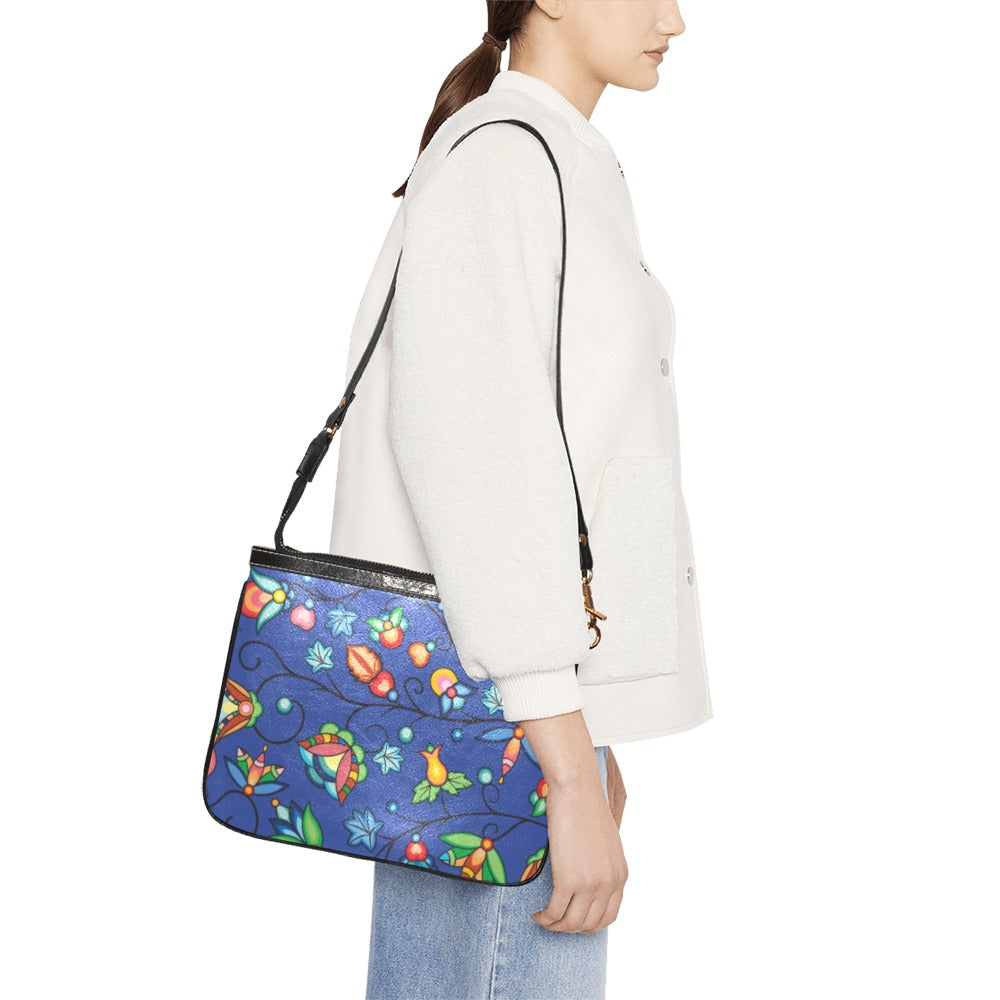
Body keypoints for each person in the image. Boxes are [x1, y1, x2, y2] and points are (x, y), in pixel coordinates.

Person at [326, 2, 713, 997]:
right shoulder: (502, 164)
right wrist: (568, 769)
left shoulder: (549, 157)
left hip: (520, 698)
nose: (673, 19)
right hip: (494, 710)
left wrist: (587, 734)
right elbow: (481, 474)